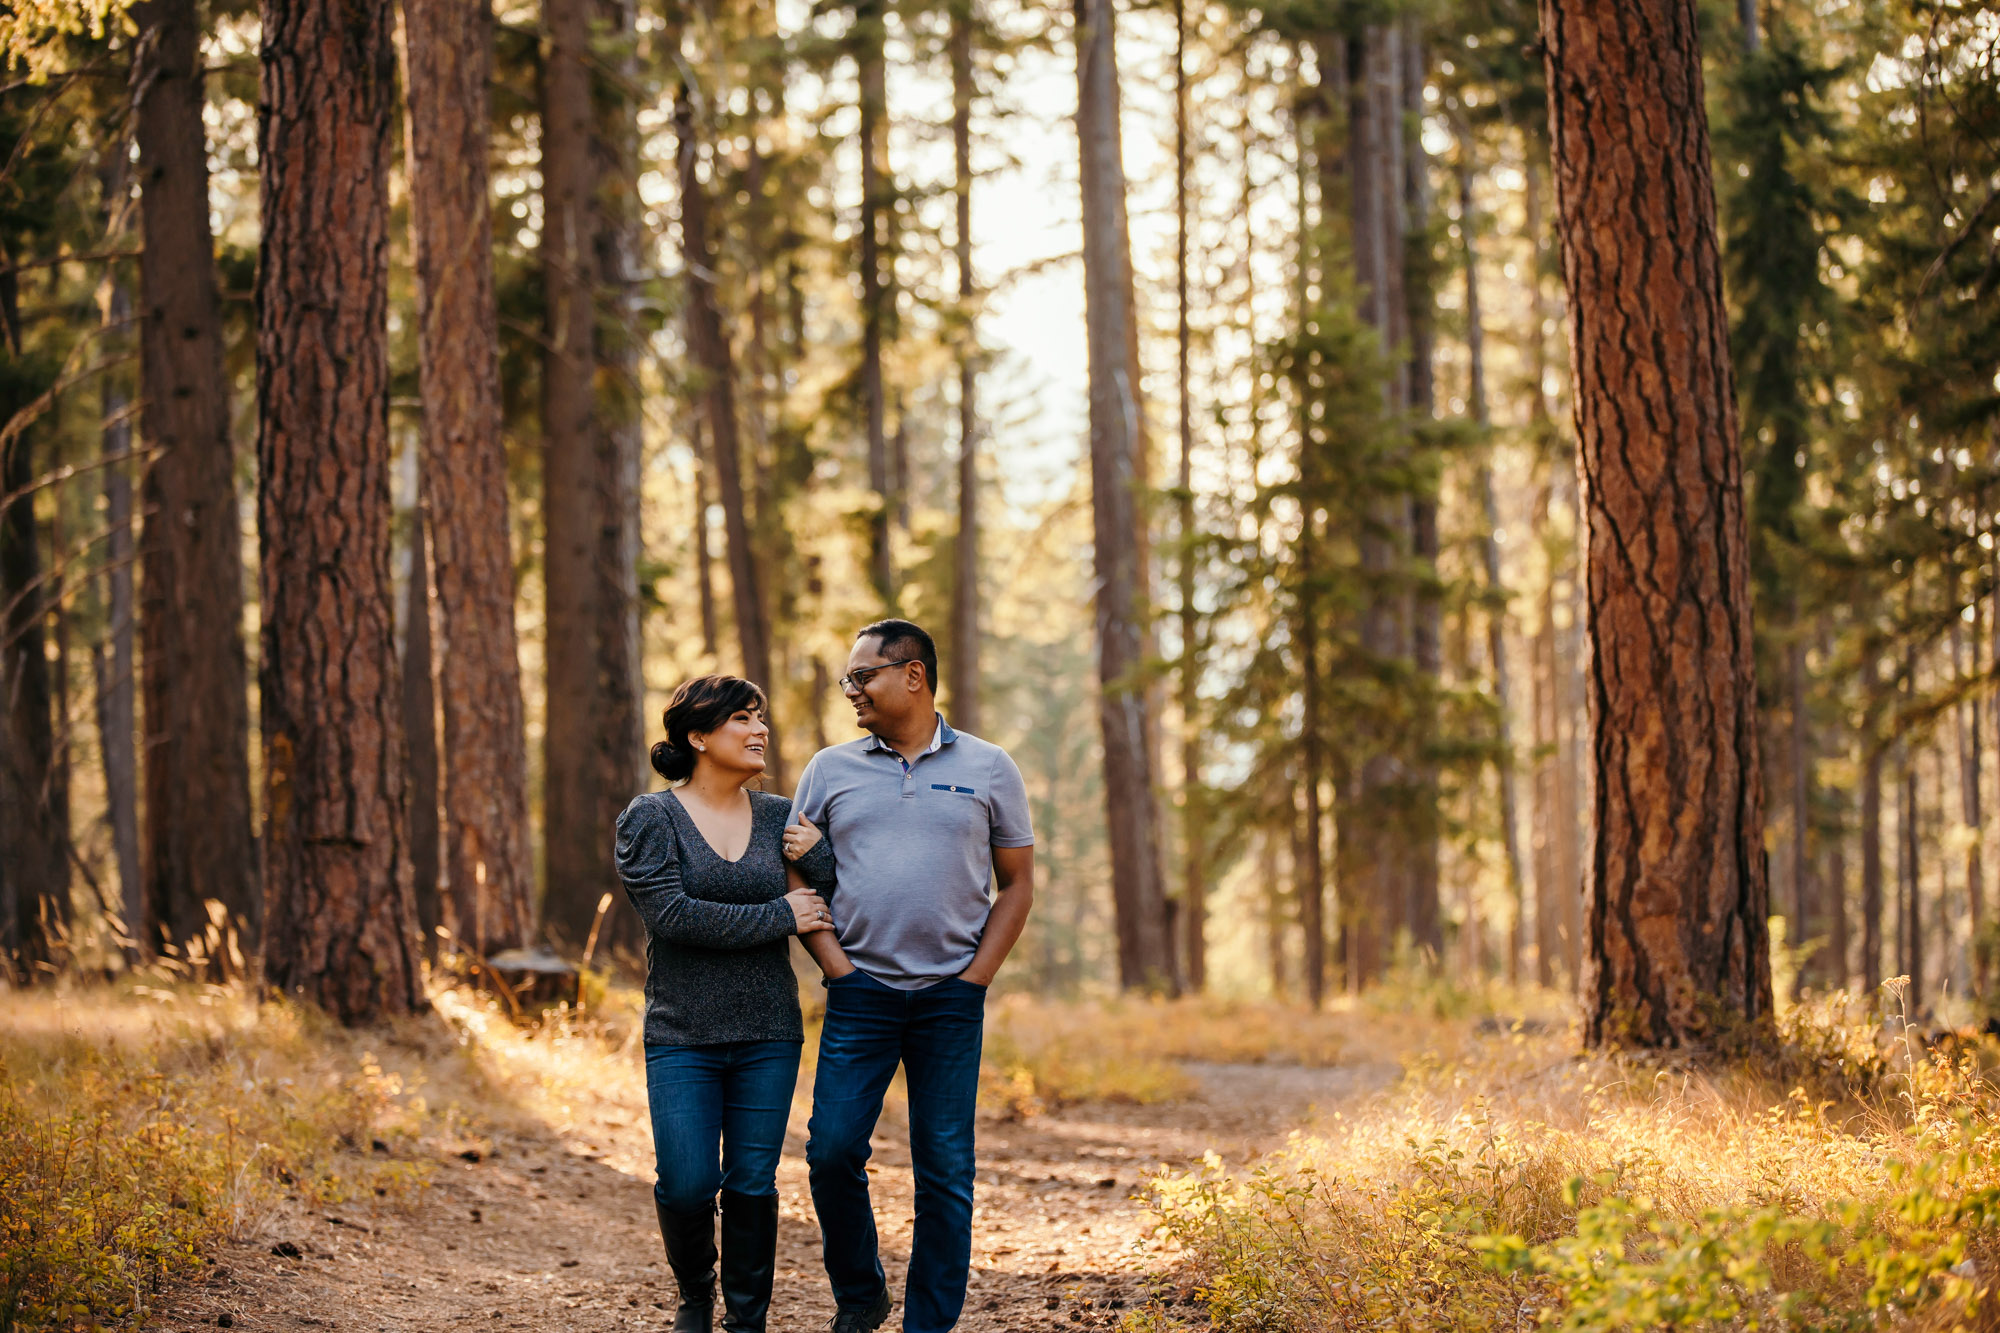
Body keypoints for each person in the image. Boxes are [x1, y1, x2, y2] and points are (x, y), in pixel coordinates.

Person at [788, 620, 1037, 1333]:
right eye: (848, 679)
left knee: (944, 1169)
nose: (851, 690)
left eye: (862, 676)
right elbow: (795, 868)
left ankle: (928, 1324)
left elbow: (1017, 883)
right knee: (832, 1150)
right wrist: (837, 967)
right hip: (860, 997)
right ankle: (861, 1294)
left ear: (914, 675)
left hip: (950, 1002)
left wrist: (975, 979)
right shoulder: (829, 769)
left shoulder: (991, 766)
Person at [615, 675, 838, 1333]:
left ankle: (747, 1318)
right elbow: (675, 916)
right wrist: (780, 914)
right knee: (686, 1182)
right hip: (681, 1031)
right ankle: (695, 1292)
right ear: (698, 735)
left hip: (768, 1028)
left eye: (761, 715)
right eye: (742, 717)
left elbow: (825, 896)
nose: (759, 728)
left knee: (751, 1183)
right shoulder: (650, 818)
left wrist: (818, 856)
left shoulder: (778, 816)